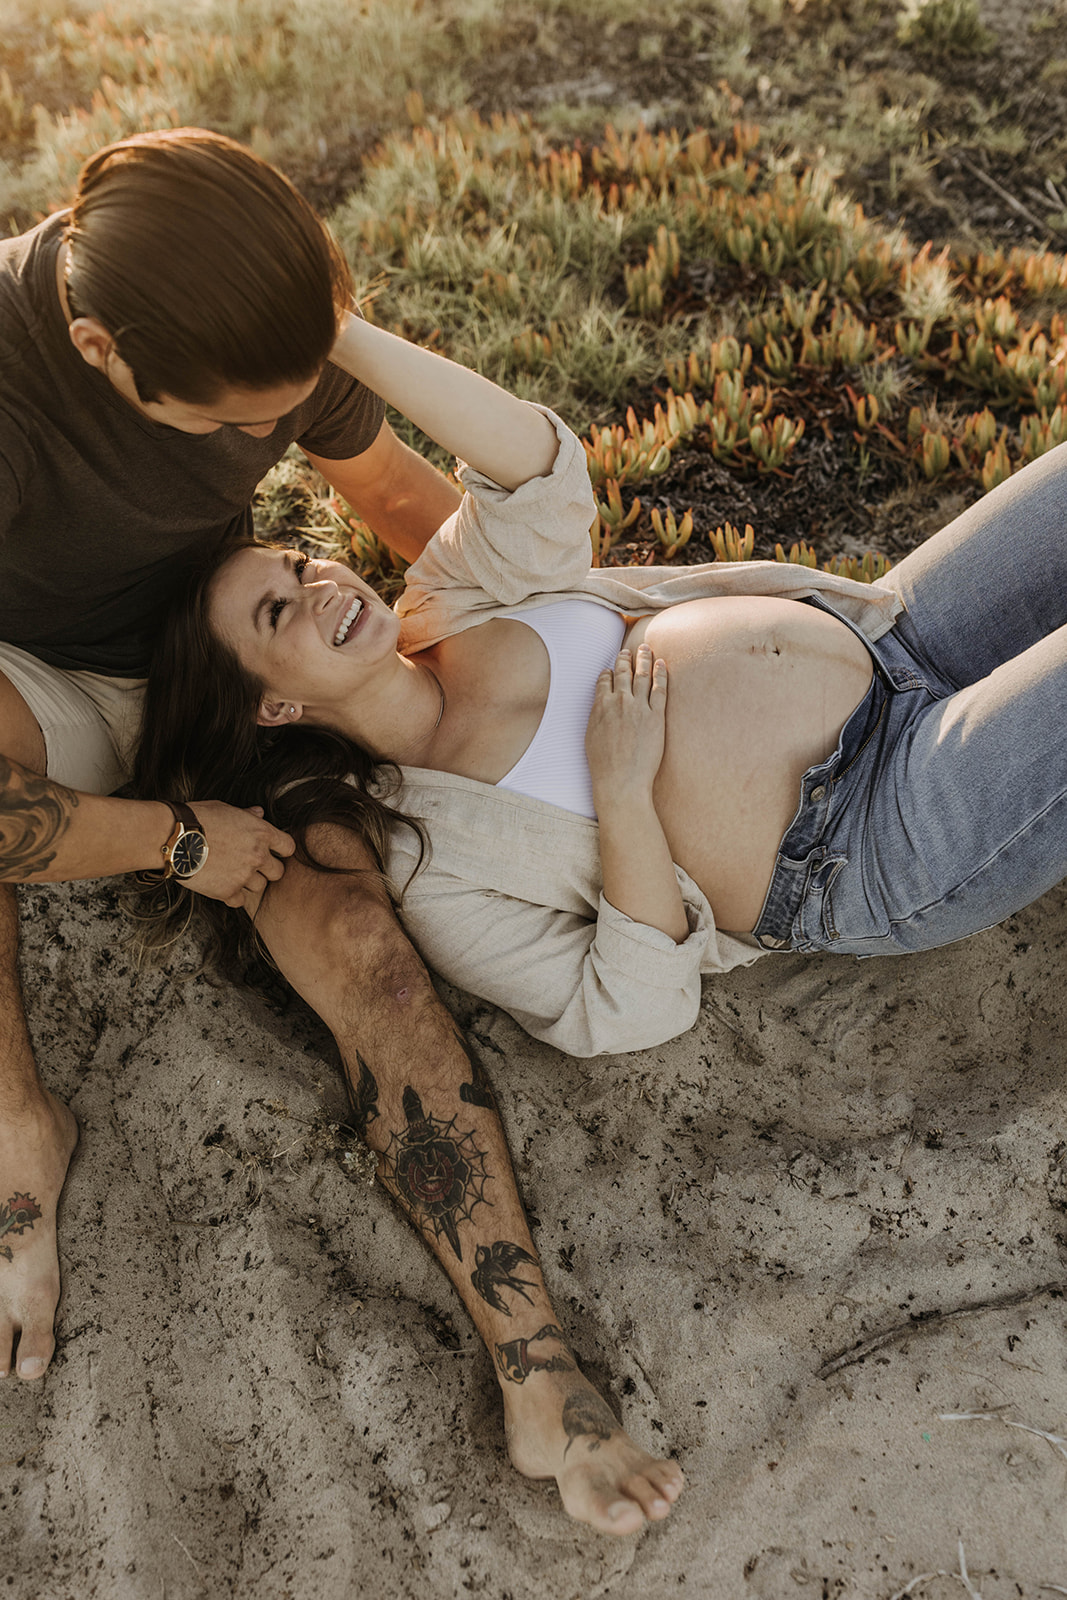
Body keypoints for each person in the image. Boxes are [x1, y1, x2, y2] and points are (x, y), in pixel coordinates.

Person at [0, 128, 682, 1537]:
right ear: (101, 348)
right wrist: (171, 839)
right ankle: (18, 1135)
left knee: (360, 938)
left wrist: (534, 631)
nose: (275, 428)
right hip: (37, 686)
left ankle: (537, 1372)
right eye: (243, 417)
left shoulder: (228, 298)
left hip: (239, 640)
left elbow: (392, 502)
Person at [135, 312, 1067, 1063]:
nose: (318, 589)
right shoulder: (436, 868)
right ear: (275, 705)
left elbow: (538, 471)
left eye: (299, 564)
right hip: (873, 835)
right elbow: (622, 1011)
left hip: (890, 633)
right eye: (276, 614)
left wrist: (329, 329)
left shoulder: (447, 603)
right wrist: (623, 798)